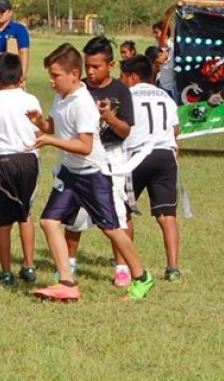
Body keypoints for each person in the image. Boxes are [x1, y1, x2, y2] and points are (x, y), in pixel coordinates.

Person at [26, 43, 154, 302]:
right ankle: (66, 282)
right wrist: (41, 123)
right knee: (49, 221)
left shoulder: (83, 103)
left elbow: (84, 146)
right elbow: (55, 125)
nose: (51, 81)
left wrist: (50, 141)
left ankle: (142, 277)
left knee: (112, 229)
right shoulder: (62, 97)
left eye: (55, 76)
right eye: (50, 75)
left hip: (92, 174)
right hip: (70, 174)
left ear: (74, 74)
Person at [63, 36, 136, 288]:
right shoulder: (79, 89)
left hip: (113, 155)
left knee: (118, 212)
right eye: (87, 66)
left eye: (96, 66)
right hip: (83, 156)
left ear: (111, 65)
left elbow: (126, 131)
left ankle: (123, 267)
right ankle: (68, 264)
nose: (90, 72)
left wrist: (110, 118)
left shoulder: (120, 90)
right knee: (74, 211)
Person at [0, 53, 42, 286]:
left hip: (4, 162)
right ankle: (29, 264)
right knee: (25, 214)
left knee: (3, 220)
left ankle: (6, 272)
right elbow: (39, 132)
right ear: (21, 76)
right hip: (29, 160)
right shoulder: (31, 100)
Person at [120, 55, 183, 281]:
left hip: (136, 156)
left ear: (133, 77)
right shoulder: (165, 97)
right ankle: (173, 268)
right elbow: (175, 130)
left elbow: (121, 127)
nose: (121, 81)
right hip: (165, 156)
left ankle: (124, 266)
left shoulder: (127, 95)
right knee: (167, 215)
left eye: (123, 76)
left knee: (122, 212)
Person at [153, 20, 177, 100]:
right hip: (159, 86)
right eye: (154, 33)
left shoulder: (175, 49)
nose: (155, 35)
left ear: (165, 33)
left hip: (171, 89)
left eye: (156, 32)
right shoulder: (154, 48)